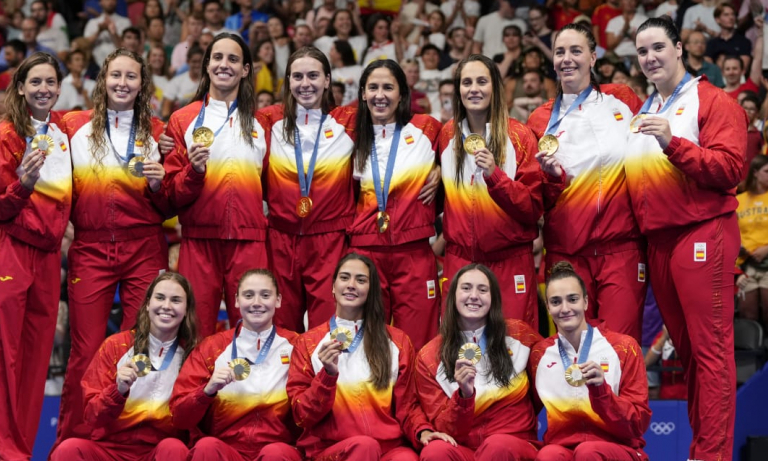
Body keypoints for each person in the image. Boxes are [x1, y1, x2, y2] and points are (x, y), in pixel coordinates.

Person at [626, 16, 746, 461]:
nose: (650, 57)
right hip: (658, 243)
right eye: (642, 52)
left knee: (711, 353)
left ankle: (711, 456)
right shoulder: (643, 110)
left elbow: (731, 168)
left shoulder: (711, 100)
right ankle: (701, 449)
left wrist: (674, 143)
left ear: (679, 48)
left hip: (702, 232)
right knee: (692, 356)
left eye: (658, 47)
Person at [55, 48, 172, 446]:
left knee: (138, 347)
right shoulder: (74, 126)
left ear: (143, 86)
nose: (123, 83)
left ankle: (132, 444)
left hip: (145, 247)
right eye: (116, 75)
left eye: (131, 77)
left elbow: (172, 202)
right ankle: (72, 442)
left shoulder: (157, 132)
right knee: (85, 353)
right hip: (90, 247)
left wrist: (160, 184)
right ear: (103, 80)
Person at [527, 23, 646, 342]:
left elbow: (649, 157)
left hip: (621, 247)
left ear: (593, 57)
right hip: (567, 251)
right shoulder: (540, 120)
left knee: (622, 347)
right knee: (573, 349)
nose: (567, 58)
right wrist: (551, 179)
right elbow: (534, 194)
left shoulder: (621, 99)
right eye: (560, 51)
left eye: (576, 50)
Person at [286, 253, 455, 461]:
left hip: (388, 448)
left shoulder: (397, 341)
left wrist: (423, 431)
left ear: (371, 290)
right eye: (345, 277)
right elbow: (301, 415)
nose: (351, 285)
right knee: (364, 446)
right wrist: (327, 377)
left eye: (361, 280)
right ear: (333, 287)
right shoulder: (307, 343)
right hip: (333, 449)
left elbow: (408, 406)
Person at [163, 33, 269, 338]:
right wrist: (194, 171)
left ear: (246, 69)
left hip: (250, 242)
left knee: (254, 333)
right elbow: (171, 195)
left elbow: (276, 185)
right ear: (207, 65)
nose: (225, 64)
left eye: (233, 59)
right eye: (218, 57)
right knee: (193, 335)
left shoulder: (263, 123)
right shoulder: (183, 120)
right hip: (199, 241)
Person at [437, 54, 543, 329]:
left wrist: (495, 176)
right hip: (460, 259)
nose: (474, 89)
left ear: (495, 87)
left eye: (482, 81)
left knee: (514, 350)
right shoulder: (447, 135)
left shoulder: (520, 136)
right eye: (467, 82)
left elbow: (532, 208)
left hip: (509, 262)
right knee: (461, 352)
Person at [0, 51, 70, 461]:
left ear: (59, 88)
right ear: (22, 87)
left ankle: (20, 451)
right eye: (36, 82)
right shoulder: (8, 134)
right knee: (6, 357)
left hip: (48, 259)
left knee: (34, 363)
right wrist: (23, 185)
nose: (44, 89)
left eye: (50, 82)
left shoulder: (63, 129)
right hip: (12, 250)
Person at [51, 272, 199, 461]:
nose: (166, 306)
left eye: (176, 300)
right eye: (160, 298)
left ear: (187, 309)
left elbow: (193, 424)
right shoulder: (116, 346)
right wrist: (118, 391)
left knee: (174, 448)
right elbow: (92, 416)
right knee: (70, 449)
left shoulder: (191, 356)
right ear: (147, 304)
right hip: (110, 450)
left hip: (157, 453)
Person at [258, 46, 356, 333]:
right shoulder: (267, 120)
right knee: (279, 328)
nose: (305, 84)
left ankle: (324, 379)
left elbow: (403, 130)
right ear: (287, 81)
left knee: (328, 330)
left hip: (330, 241)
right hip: (280, 239)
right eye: (297, 76)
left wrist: (437, 165)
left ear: (327, 79)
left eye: (313, 76)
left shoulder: (349, 122)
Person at [348, 59, 442, 351]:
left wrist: (442, 169)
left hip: (413, 251)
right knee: (367, 341)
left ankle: (416, 397)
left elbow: (461, 152)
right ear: (362, 93)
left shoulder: (429, 129)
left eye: (388, 87)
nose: (380, 95)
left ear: (402, 94)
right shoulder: (350, 134)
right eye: (373, 87)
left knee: (418, 342)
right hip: (365, 252)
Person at [171, 269, 303, 460]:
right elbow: (179, 417)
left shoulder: (297, 346)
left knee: (275, 453)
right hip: (226, 450)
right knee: (207, 446)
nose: (256, 303)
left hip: (278, 449)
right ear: (236, 300)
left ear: (278, 300)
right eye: (248, 295)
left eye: (265, 295)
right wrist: (206, 391)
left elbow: (310, 409)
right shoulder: (211, 348)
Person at [416, 264, 543, 461]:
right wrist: (464, 397)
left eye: (483, 290)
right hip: (464, 445)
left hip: (513, 443)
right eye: (466, 288)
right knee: (435, 452)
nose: (474, 296)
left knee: (497, 446)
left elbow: (545, 385)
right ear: (452, 296)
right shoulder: (429, 356)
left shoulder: (521, 335)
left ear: (493, 299)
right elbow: (443, 427)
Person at [530, 261, 651, 461]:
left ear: (585, 302)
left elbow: (638, 423)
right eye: (556, 301)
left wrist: (602, 392)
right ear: (548, 307)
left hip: (619, 448)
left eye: (573, 299)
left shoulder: (623, 348)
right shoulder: (540, 354)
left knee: (588, 452)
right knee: (548, 455)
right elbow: (519, 411)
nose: (565, 308)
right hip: (562, 448)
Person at [736, 155, 768, 331]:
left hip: (767, 263)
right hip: (746, 265)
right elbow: (732, 234)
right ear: (755, 173)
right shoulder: (740, 201)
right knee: (748, 315)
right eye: (766, 171)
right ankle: (754, 356)